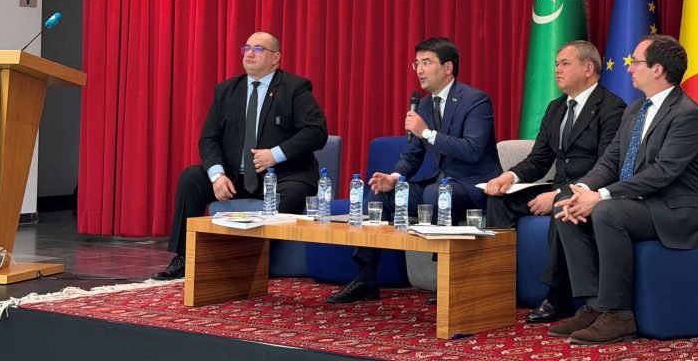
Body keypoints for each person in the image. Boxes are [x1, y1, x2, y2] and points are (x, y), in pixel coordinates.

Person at [548, 34, 698, 345]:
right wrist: (583, 188)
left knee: (607, 211)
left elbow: (662, 173)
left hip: (673, 209)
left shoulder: (687, 114)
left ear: (657, 69)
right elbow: (611, 160)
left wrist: (602, 195)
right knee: (566, 203)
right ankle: (595, 304)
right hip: (639, 202)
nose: (628, 68)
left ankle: (619, 315)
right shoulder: (634, 109)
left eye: (636, 62)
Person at [326, 37, 502, 304]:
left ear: (447, 67)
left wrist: (427, 132)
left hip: (475, 185)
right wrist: (393, 178)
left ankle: (445, 279)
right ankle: (365, 277)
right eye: (416, 63)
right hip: (440, 185)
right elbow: (412, 155)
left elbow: (472, 150)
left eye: (426, 62)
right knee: (380, 195)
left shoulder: (475, 100)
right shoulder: (425, 105)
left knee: (436, 194)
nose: (419, 70)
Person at [152, 31, 328, 280]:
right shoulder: (226, 90)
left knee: (293, 191)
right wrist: (217, 175)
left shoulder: (294, 88)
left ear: (276, 58)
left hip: (283, 176)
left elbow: (316, 132)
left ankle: (253, 262)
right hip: (236, 178)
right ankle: (184, 256)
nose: (250, 54)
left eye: (258, 49)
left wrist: (275, 155)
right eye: (246, 48)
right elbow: (209, 138)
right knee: (191, 178)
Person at [484, 40, 625, 323]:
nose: (557, 70)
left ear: (588, 68)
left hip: (589, 191)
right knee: (499, 198)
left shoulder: (612, 108)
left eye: (565, 64)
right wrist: (509, 176)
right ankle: (497, 285)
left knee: (562, 203)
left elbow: (607, 166)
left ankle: (557, 297)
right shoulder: (556, 108)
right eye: (556, 64)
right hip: (559, 185)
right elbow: (539, 159)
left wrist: (558, 193)